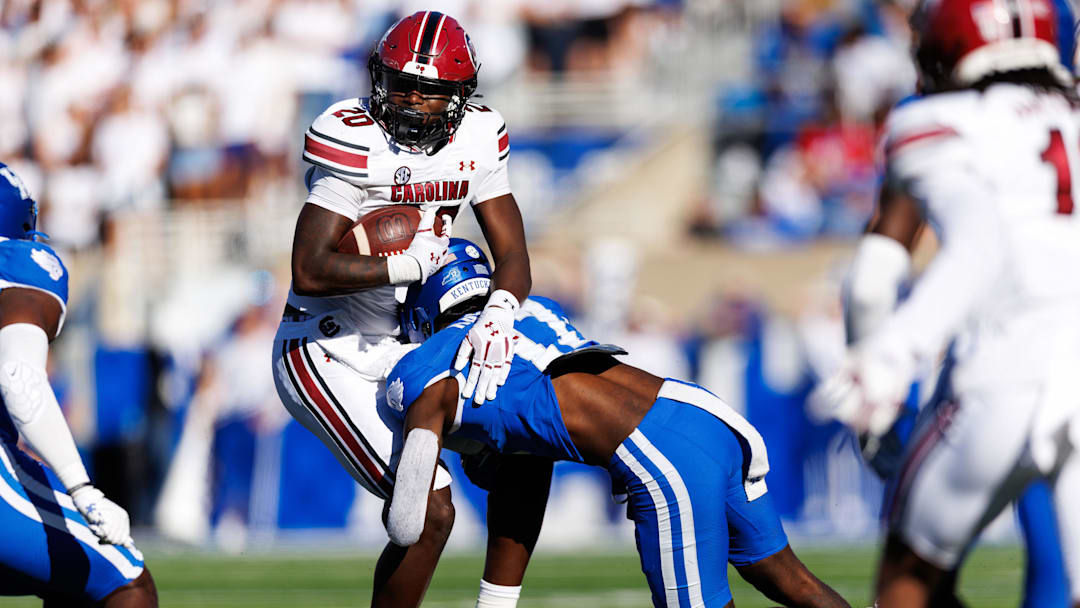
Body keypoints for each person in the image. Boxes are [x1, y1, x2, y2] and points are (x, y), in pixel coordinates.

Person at [384, 238, 850, 608]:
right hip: (699, 411)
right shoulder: (537, 309)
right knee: (790, 581)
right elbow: (528, 462)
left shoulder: (424, 367)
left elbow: (410, 521)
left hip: (658, 457)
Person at [809, 0, 1080, 605]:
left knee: (910, 580)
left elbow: (877, 278)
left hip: (1004, 372)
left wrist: (886, 359)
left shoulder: (937, 121)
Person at [270, 12, 542, 608]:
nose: (414, 102)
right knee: (431, 510)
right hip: (325, 347)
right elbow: (309, 269)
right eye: (402, 86)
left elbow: (514, 253)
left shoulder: (478, 136)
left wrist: (500, 308)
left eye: (431, 91)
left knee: (526, 451)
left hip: (407, 347)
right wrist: (407, 267)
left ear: (461, 96)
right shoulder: (353, 136)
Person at [0, 163, 157, 606]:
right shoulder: (21, 264)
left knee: (64, 579)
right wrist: (82, 489)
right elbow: (18, 375)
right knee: (126, 580)